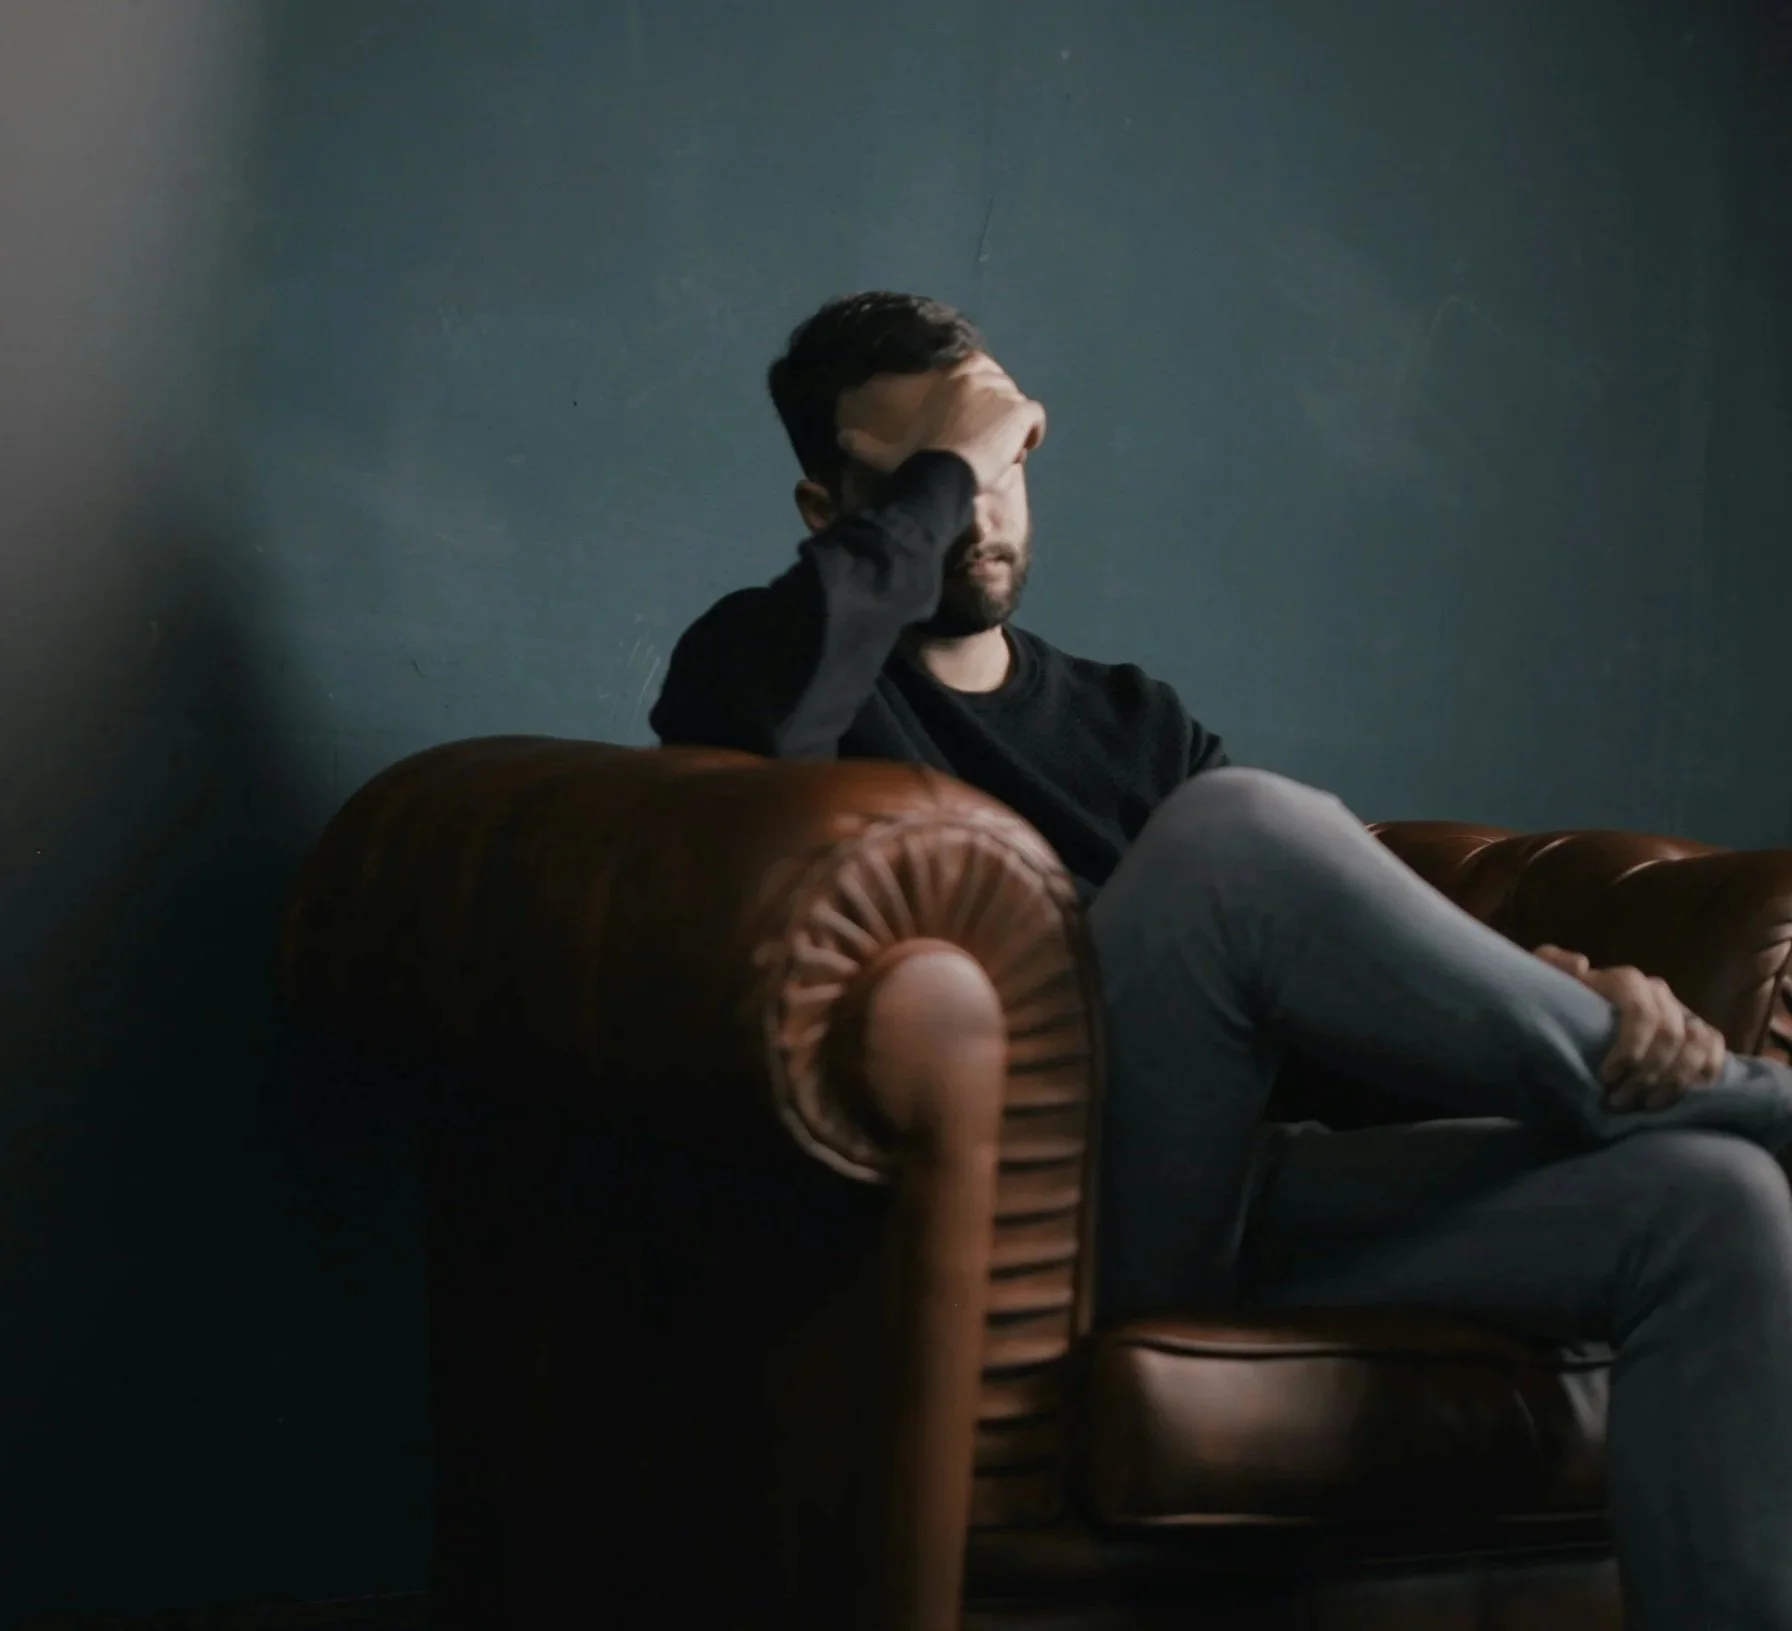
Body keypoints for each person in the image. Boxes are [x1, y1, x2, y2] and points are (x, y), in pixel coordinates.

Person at [650, 290, 1792, 1627]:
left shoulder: (1138, 721)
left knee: (1717, 1204)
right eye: (929, 469)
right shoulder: (769, 666)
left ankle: (1678, 1101)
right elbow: (742, 738)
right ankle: (1734, 1094)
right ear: (826, 507)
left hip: (1236, 1198)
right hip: (1045, 1232)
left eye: (1004, 455)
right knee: (1237, 831)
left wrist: (1539, 988)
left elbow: (1305, 1004)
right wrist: (954, 462)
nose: (979, 506)